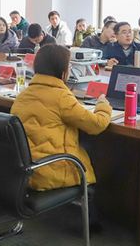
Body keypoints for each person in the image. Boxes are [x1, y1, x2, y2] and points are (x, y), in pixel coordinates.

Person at [10, 44, 111, 193]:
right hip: (51, 172)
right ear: (62, 71)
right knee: (99, 150)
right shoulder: (61, 97)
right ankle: (93, 203)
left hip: (24, 172)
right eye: (69, 66)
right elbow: (97, 124)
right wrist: (102, 105)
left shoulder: (23, 94)